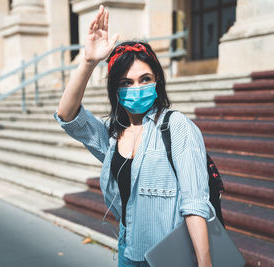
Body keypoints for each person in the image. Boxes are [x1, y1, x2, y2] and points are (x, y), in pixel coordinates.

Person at [54, 5, 213, 267]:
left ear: (157, 80)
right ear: (115, 89)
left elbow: (194, 203)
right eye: (126, 82)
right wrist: (88, 61)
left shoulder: (176, 126)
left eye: (144, 79)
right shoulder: (113, 136)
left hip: (170, 257)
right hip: (128, 251)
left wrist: (205, 264)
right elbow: (68, 115)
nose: (136, 87)